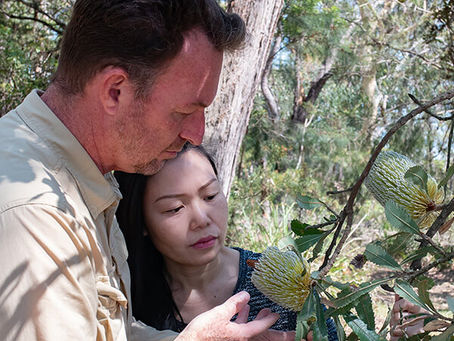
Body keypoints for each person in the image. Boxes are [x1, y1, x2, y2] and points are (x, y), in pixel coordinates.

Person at [0, 1, 293, 340]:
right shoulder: (36, 213)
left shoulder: (86, 178)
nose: (195, 134)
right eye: (184, 111)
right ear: (115, 91)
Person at [114, 143, 339, 340]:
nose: (201, 220)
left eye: (210, 195)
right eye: (175, 208)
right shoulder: (122, 299)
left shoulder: (282, 282)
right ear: (141, 220)